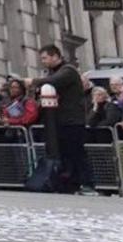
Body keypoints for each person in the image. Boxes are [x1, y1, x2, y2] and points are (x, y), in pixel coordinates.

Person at [38, 45, 93, 193]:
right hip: (60, 120)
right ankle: (69, 183)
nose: (43, 61)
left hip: (73, 120)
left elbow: (53, 81)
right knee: (63, 153)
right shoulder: (54, 72)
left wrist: (33, 81)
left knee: (76, 153)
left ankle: (86, 183)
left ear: (55, 56)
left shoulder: (68, 71)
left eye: (45, 58)